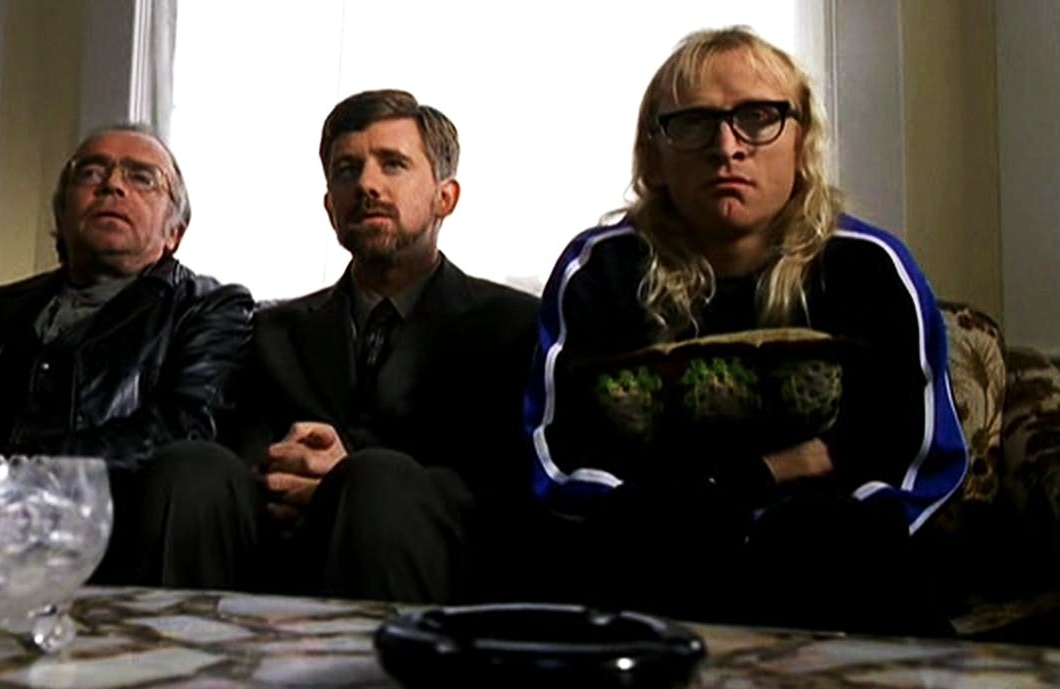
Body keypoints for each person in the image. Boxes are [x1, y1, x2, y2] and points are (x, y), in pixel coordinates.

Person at [523, 27, 968, 634]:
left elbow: (914, 459)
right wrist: (770, 473)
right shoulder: (598, 272)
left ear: (800, 141)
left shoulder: (871, 268)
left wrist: (723, 500)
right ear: (653, 153)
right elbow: (562, 460)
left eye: (758, 118)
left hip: (837, 569)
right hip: (656, 567)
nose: (726, 148)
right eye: (694, 122)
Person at [0, 123, 256, 587]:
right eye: (90, 172)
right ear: (60, 214)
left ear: (174, 232)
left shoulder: (207, 307)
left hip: (117, 533)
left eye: (142, 177)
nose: (112, 184)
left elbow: (184, 426)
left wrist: (16, 475)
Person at [228, 89, 539, 603]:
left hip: (434, 570)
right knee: (189, 469)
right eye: (347, 170)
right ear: (330, 207)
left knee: (376, 482)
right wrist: (283, 473)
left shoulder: (514, 326)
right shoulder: (272, 330)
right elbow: (246, 456)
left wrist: (346, 477)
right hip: (277, 558)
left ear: (445, 197)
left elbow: (506, 489)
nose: (367, 184)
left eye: (393, 164)